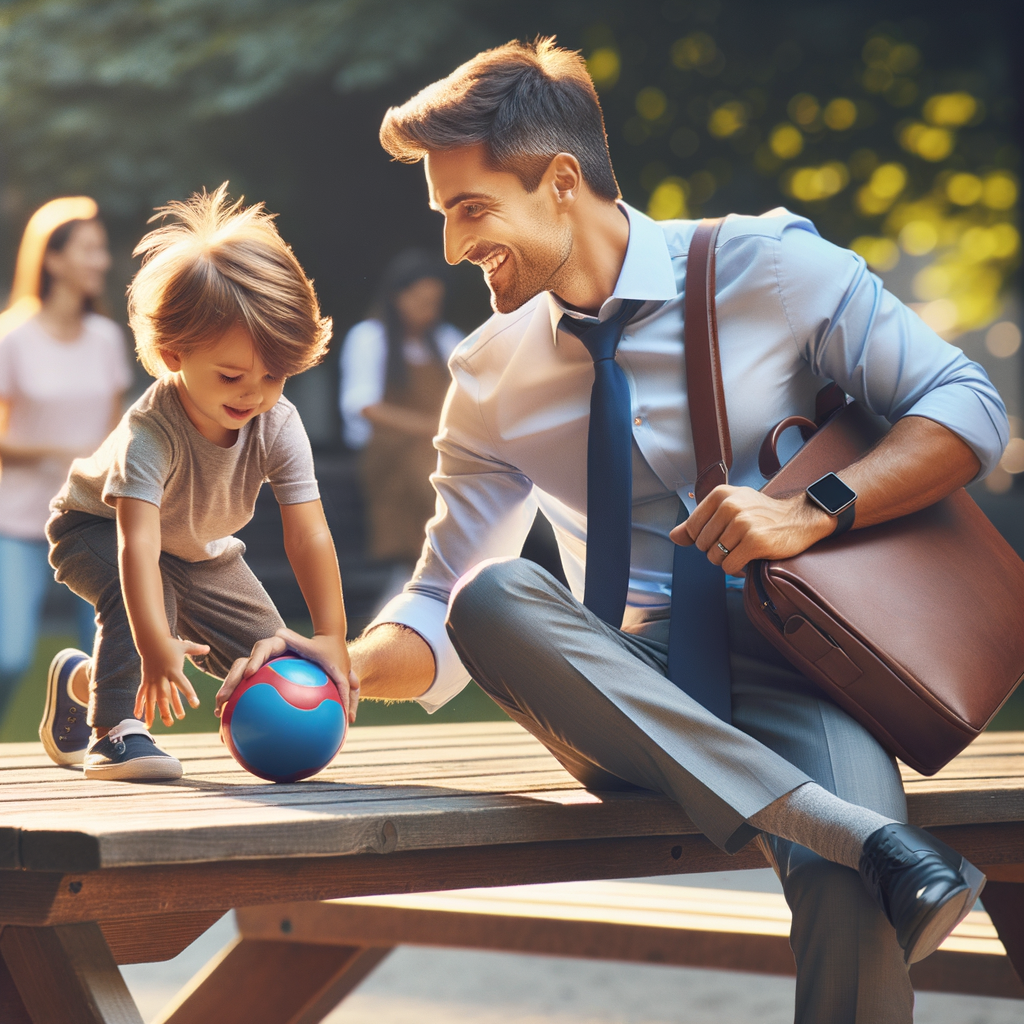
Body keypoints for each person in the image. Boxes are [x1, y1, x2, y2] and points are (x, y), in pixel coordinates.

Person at [218, 41, 1007, 1022]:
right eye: (445, 217)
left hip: (801, 670)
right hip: (622, 693)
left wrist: (809, 511)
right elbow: (436, 600)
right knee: (494, 595)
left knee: (856, 881)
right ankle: (848, 828)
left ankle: (851, 839)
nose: (457, 247)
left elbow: (967, 408)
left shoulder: (772, 270)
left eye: (471, 210)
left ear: (559, 182)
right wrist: (336, 669)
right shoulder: (488, 375)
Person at [40, 184, 358, 781]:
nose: (254, 394)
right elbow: (137, 547)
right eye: (234, 375)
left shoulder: (277, 424)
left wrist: (331, 636)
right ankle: (112, 733)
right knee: (148, 600)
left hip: (197, 549)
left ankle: (79, 680)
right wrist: (158, 647)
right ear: (173, 351)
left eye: (274, 376)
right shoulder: (150, 433)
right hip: (95, 529)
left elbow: (308, 534)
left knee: (272, 654)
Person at [0, 197, 131, 725]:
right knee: (8, 656)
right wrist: (54, 453)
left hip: (89, 520)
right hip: (16, 522)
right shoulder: (12, 336)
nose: (101, 260)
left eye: (101, 250)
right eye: (89, 249)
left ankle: (91, 748)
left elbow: (117, 430)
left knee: (103, 659)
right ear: (52, 260)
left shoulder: (105, 339)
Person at [339, 249, 461, 595]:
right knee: (432, 479)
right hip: (389, 454)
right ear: (398, 298)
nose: (429, 310)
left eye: (434, 302)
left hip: (439, 445)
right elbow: (364, 406)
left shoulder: (447, 339)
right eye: (421, 301)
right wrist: (430, 429)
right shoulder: (369, 338)